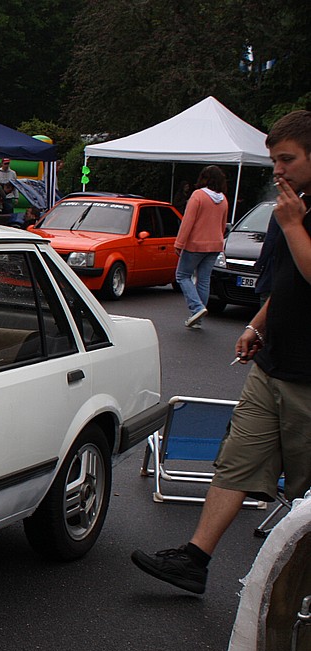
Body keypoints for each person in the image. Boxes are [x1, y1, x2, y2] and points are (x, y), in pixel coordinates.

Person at [131, 110, 311, 595]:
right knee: (236, 460)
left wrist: (294, 225)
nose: (278, 170)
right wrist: (257, 324)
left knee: (305, 489)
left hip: (307, 380)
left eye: (288, 159)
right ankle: (195, 559)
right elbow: (287, 282)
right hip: (272, 367)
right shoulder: (291, 208)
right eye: (274, 161)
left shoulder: (292, 215)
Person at [173, 165, 229, 328]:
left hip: (195, 244)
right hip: (215, 244)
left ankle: (196, 308)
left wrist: (179, 243)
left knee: (182, 275)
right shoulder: (223, 199)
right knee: (203, 280)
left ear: (204, 178)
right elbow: (223, 225)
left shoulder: (198, 195)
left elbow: (187, 221)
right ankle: (198, 318)